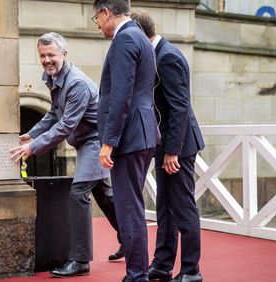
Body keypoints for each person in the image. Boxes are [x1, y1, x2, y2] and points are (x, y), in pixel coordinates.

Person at [9, 32, 122, 277]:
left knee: (78, 192)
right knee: (105, 195)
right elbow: (53, 113)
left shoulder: (77, 83)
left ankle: (80, 260)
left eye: (51, 54)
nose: (47, 59)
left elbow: (65, 126)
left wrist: (33, 147)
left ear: (64, 54)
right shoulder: (54, 77)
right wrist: (31, 134)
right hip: (83, 142)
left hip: (95, 140)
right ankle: (130, 239)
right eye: (42, 55)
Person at [130, 10, 205, 282]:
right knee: (165, 207)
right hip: (165, 145)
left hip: (180, 146)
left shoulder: (168, 56)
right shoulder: (153, 54)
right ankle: (162, 264)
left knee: (183, 208)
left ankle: (191, 271)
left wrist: (173, 150)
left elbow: (180, 107)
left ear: (139, 34)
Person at [92, 1, 160, 281]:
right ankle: (137, 272)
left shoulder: (124, 39)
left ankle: (136, 275)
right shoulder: (140, 37)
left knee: (128, 209)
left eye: (96, 17)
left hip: (129, 137)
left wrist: (109, 141)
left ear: (106, 12)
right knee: (133, 207)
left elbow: (121, 96)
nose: (96, 24)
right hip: (141, 133)